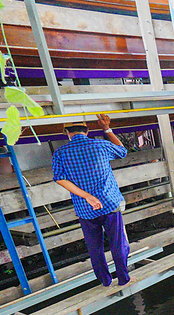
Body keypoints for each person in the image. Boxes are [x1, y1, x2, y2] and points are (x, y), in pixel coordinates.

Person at [52, 115, 134, 288]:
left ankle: (105, 280)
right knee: (118, 243)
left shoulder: (60, 153)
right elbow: (122, 151)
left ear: (67, 133)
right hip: (109, 204)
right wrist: (107, 129)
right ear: (87, 131)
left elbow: (60, 179)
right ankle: (123, 279)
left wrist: (86, 196)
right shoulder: (100, 145)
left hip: (85, 208)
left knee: (95, 247)